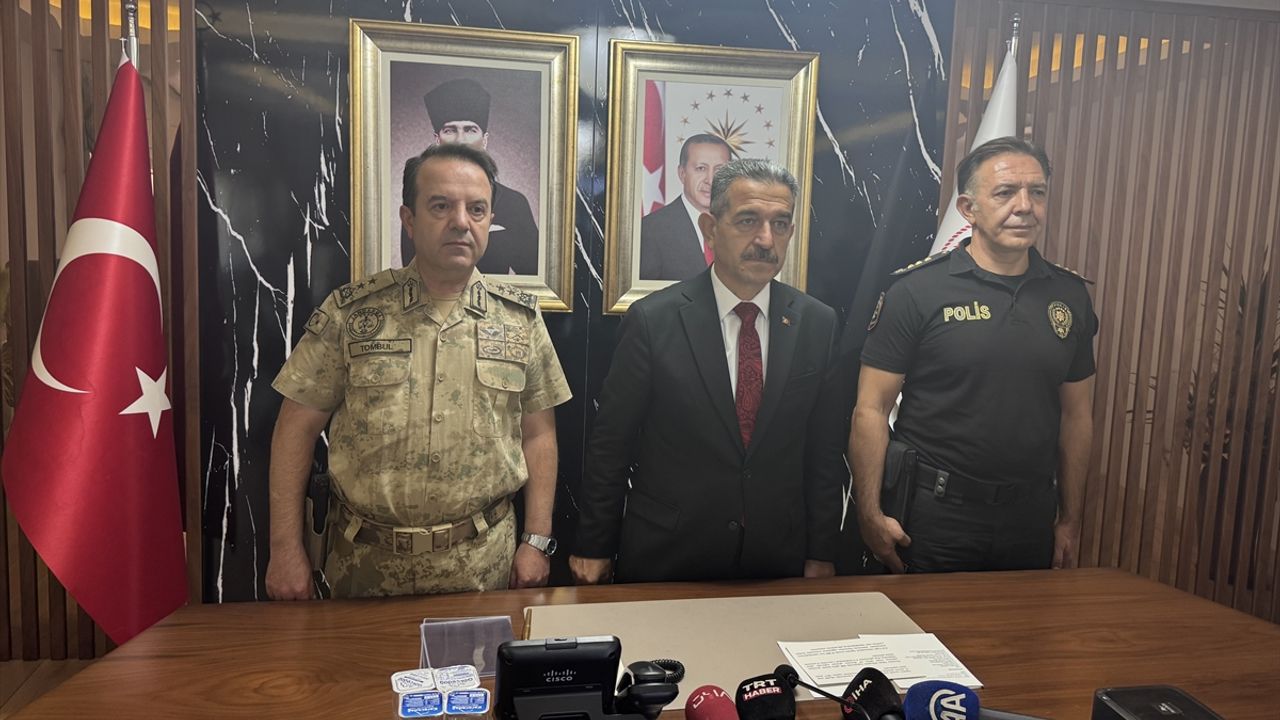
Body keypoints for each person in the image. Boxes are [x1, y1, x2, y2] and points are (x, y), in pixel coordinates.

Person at [267, 143, 571, 599]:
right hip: (363, 568)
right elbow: (296, 428)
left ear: (490, 220)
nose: (461, 222)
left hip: (482, 567)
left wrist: (537, 540)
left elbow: (539, 435)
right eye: (441, 206)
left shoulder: (520, 321)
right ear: (409, 220)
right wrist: (285, 547)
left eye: (477, 209)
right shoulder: (352, 314)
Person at [572, 159, 847, 584]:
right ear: (710, 228)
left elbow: (824, 451)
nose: (765, 239)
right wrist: (594, 546)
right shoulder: (654, 320)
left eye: (780, 224)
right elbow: (612, 445)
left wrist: (822, 552)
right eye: (748, 220)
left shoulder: (817, 323)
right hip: (669, 556)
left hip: (776, 559)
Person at [850, 136, 1097, 574]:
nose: (1025, 206)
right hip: (935, 516)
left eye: (1037, 192)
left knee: (1023, 622)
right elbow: (871, 409)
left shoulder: (1070, 295)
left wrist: (1071, 519)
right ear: (968, 209)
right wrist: (869, 513)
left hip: (1029, 518)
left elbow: (1076, 416)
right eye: (1005, 193)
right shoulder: (916, 291)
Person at [398, 77, 540, 276]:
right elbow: (414, 272)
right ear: (437, 140)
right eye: (450, 130)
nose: (460, 140)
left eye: (470, 130)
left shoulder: (514, 204)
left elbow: (533, 277)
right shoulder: (420, 199)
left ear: (485, 140)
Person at [639, 134, 732, 281]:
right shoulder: (650, 231)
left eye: (720, 170)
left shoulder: (743, 228)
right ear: (682, 174)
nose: (710, 180)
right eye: (701, 168)